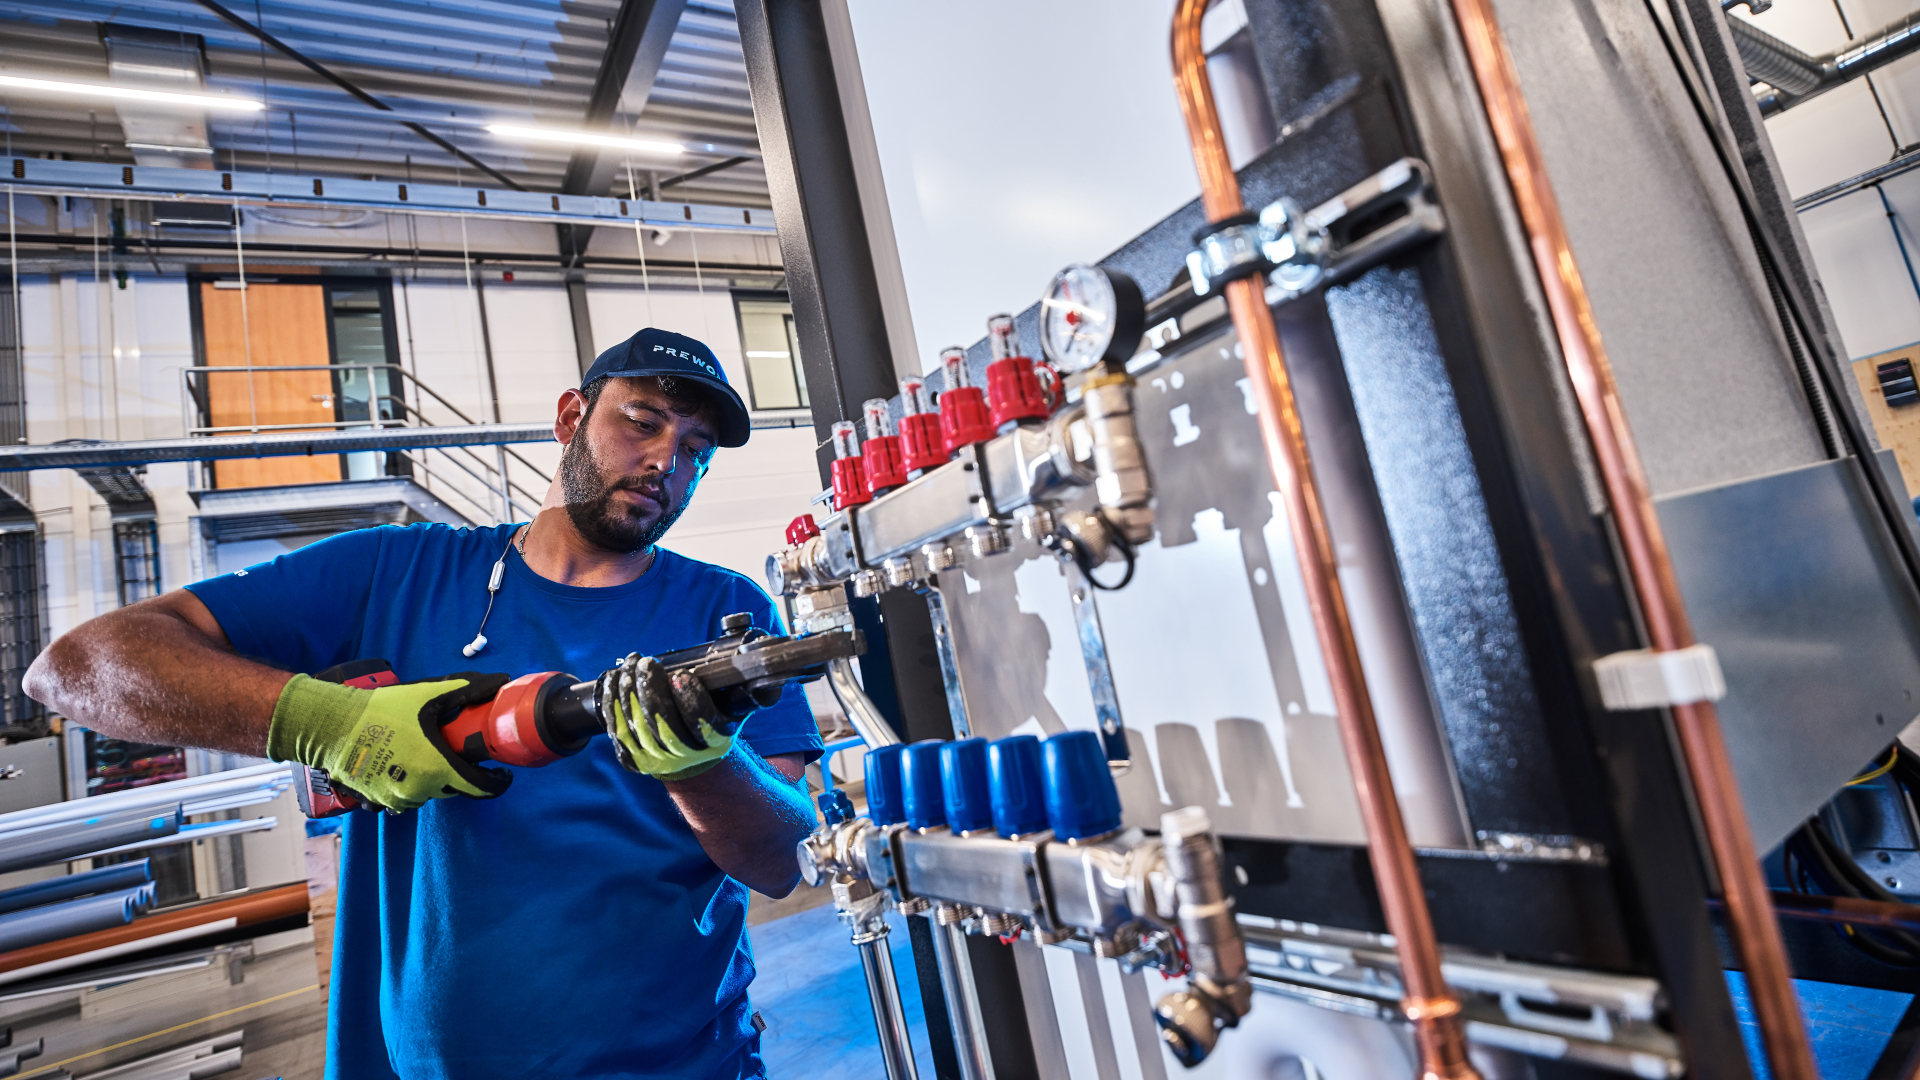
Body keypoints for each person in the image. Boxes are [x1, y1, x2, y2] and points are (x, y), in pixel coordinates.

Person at [24, 328, 822, 1079]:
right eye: (642, 422)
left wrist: (706, 766)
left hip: (681, 1060)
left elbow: (780, 862)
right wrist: (332, 724)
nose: (662, 461)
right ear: (571, 416)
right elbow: (75, 667)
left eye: (694, 450)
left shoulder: (725, 613)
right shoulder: (393, 572)